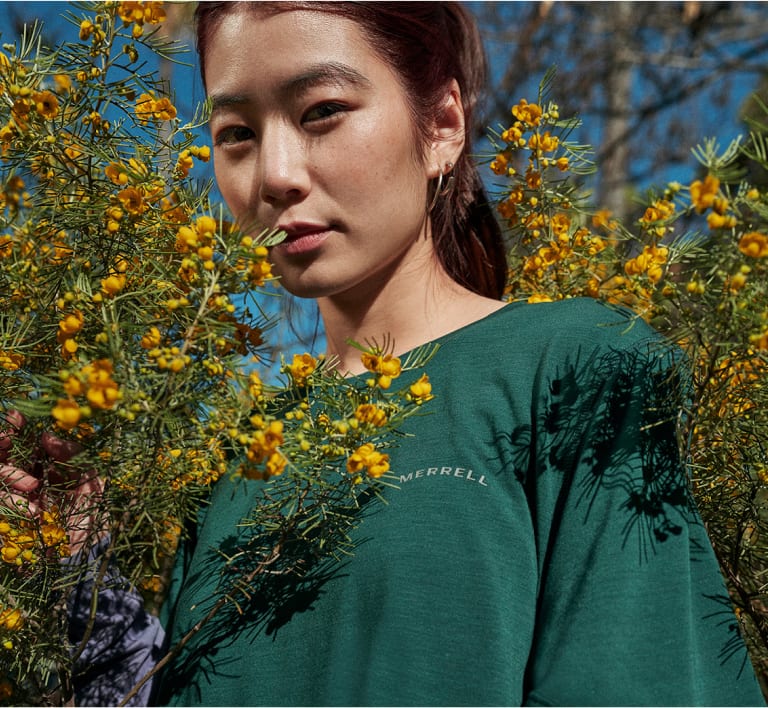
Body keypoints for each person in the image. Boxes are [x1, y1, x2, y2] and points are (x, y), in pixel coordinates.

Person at [1, 2, 765, 706]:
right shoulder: (237, 460)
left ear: (441, 125)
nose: (275, 175)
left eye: (323, 112)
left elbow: (643, 678)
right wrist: (80, 581)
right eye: (235, 132)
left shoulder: (577, 366)